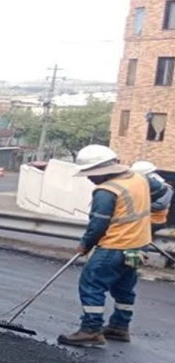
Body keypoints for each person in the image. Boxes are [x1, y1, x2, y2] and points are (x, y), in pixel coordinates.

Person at [58, 145, 152, 347]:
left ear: (103, 171)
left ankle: (91, 330)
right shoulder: (139, 179)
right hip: (139, 246)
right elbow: (162, 191)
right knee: (124, 288)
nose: (89, 178)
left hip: (114, 247)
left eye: (92, 174)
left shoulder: (106, 191)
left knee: (91, 283)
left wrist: (84, 245)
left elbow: (98, 225)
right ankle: (119, 327)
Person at [130, 160, 172, 234]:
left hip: (153, 222)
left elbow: (160, 205)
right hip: (143, 220)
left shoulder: (164, 188)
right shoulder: (142, 186)